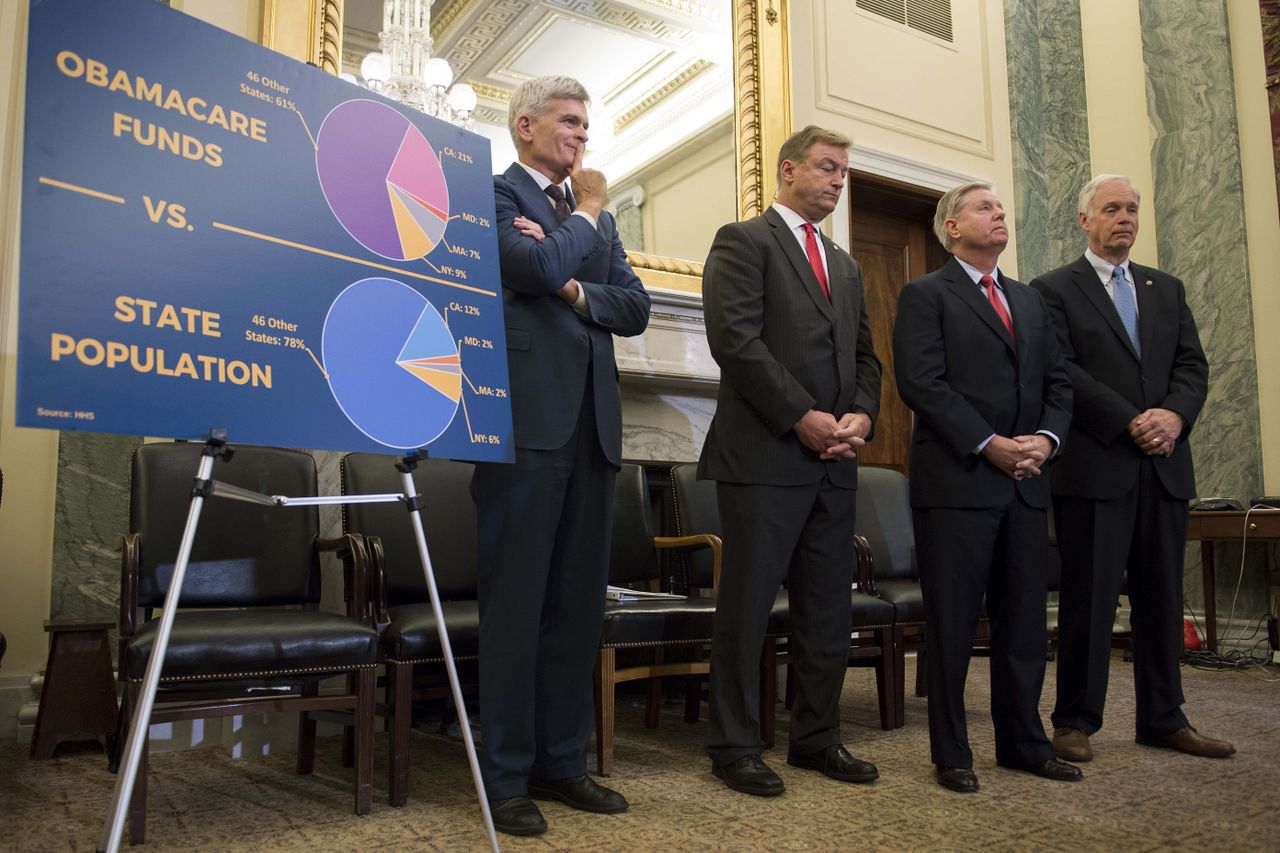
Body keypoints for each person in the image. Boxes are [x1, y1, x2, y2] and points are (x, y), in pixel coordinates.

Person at [472, 75, 651, 836]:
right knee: (517, 607)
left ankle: (561, 761)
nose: (582, 133)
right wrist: (583, 219)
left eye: (587, 121)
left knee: (577, 605)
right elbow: (532, 270)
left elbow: (633, 306)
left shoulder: (591, 225)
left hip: (593, 430)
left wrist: (577, 290)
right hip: (523, 427)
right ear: (524, 127)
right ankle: (505, 777)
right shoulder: (495, 197)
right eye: (569, 120)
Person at [699, 125, 882, 797]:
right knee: (747, 607)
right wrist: (800, 416)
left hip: (835, 461)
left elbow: (866, 357)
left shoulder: (847, 264)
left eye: (843, 172)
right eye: (827, 168)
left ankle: (816, 737)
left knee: (827, 607)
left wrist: (862, 413)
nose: (838, 181)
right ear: (787, 171)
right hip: (764, 456)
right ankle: (735, 744)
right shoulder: (743, 241)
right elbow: (736, 341)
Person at [1030, 174, 1233, 762]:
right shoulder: (1053, 290)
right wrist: (1130, 420)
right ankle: (1074, 721)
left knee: (1163, 597)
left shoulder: (1165, 288)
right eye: (1112, 208)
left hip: (1166, 466)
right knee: (1089, 600)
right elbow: (1062, 370)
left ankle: (1164, 718)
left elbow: (1193, 367)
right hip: (1098, 466)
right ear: (1084, 220)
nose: (1125, 218)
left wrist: (1173, 416)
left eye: (1132, 209)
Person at [892, 182, 1080, 793]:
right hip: (958, 485)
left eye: (1002, 208)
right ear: (951, 227)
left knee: (1025, 624)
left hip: (1026, 484)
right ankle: (952, 754)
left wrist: (1045, 442)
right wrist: (989, 443)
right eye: (983, 208)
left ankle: (1023, 743)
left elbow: (1059, 384)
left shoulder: (1029, 301)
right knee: (952, 626)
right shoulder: (926, 295)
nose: (999, 214)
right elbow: (923, 383)